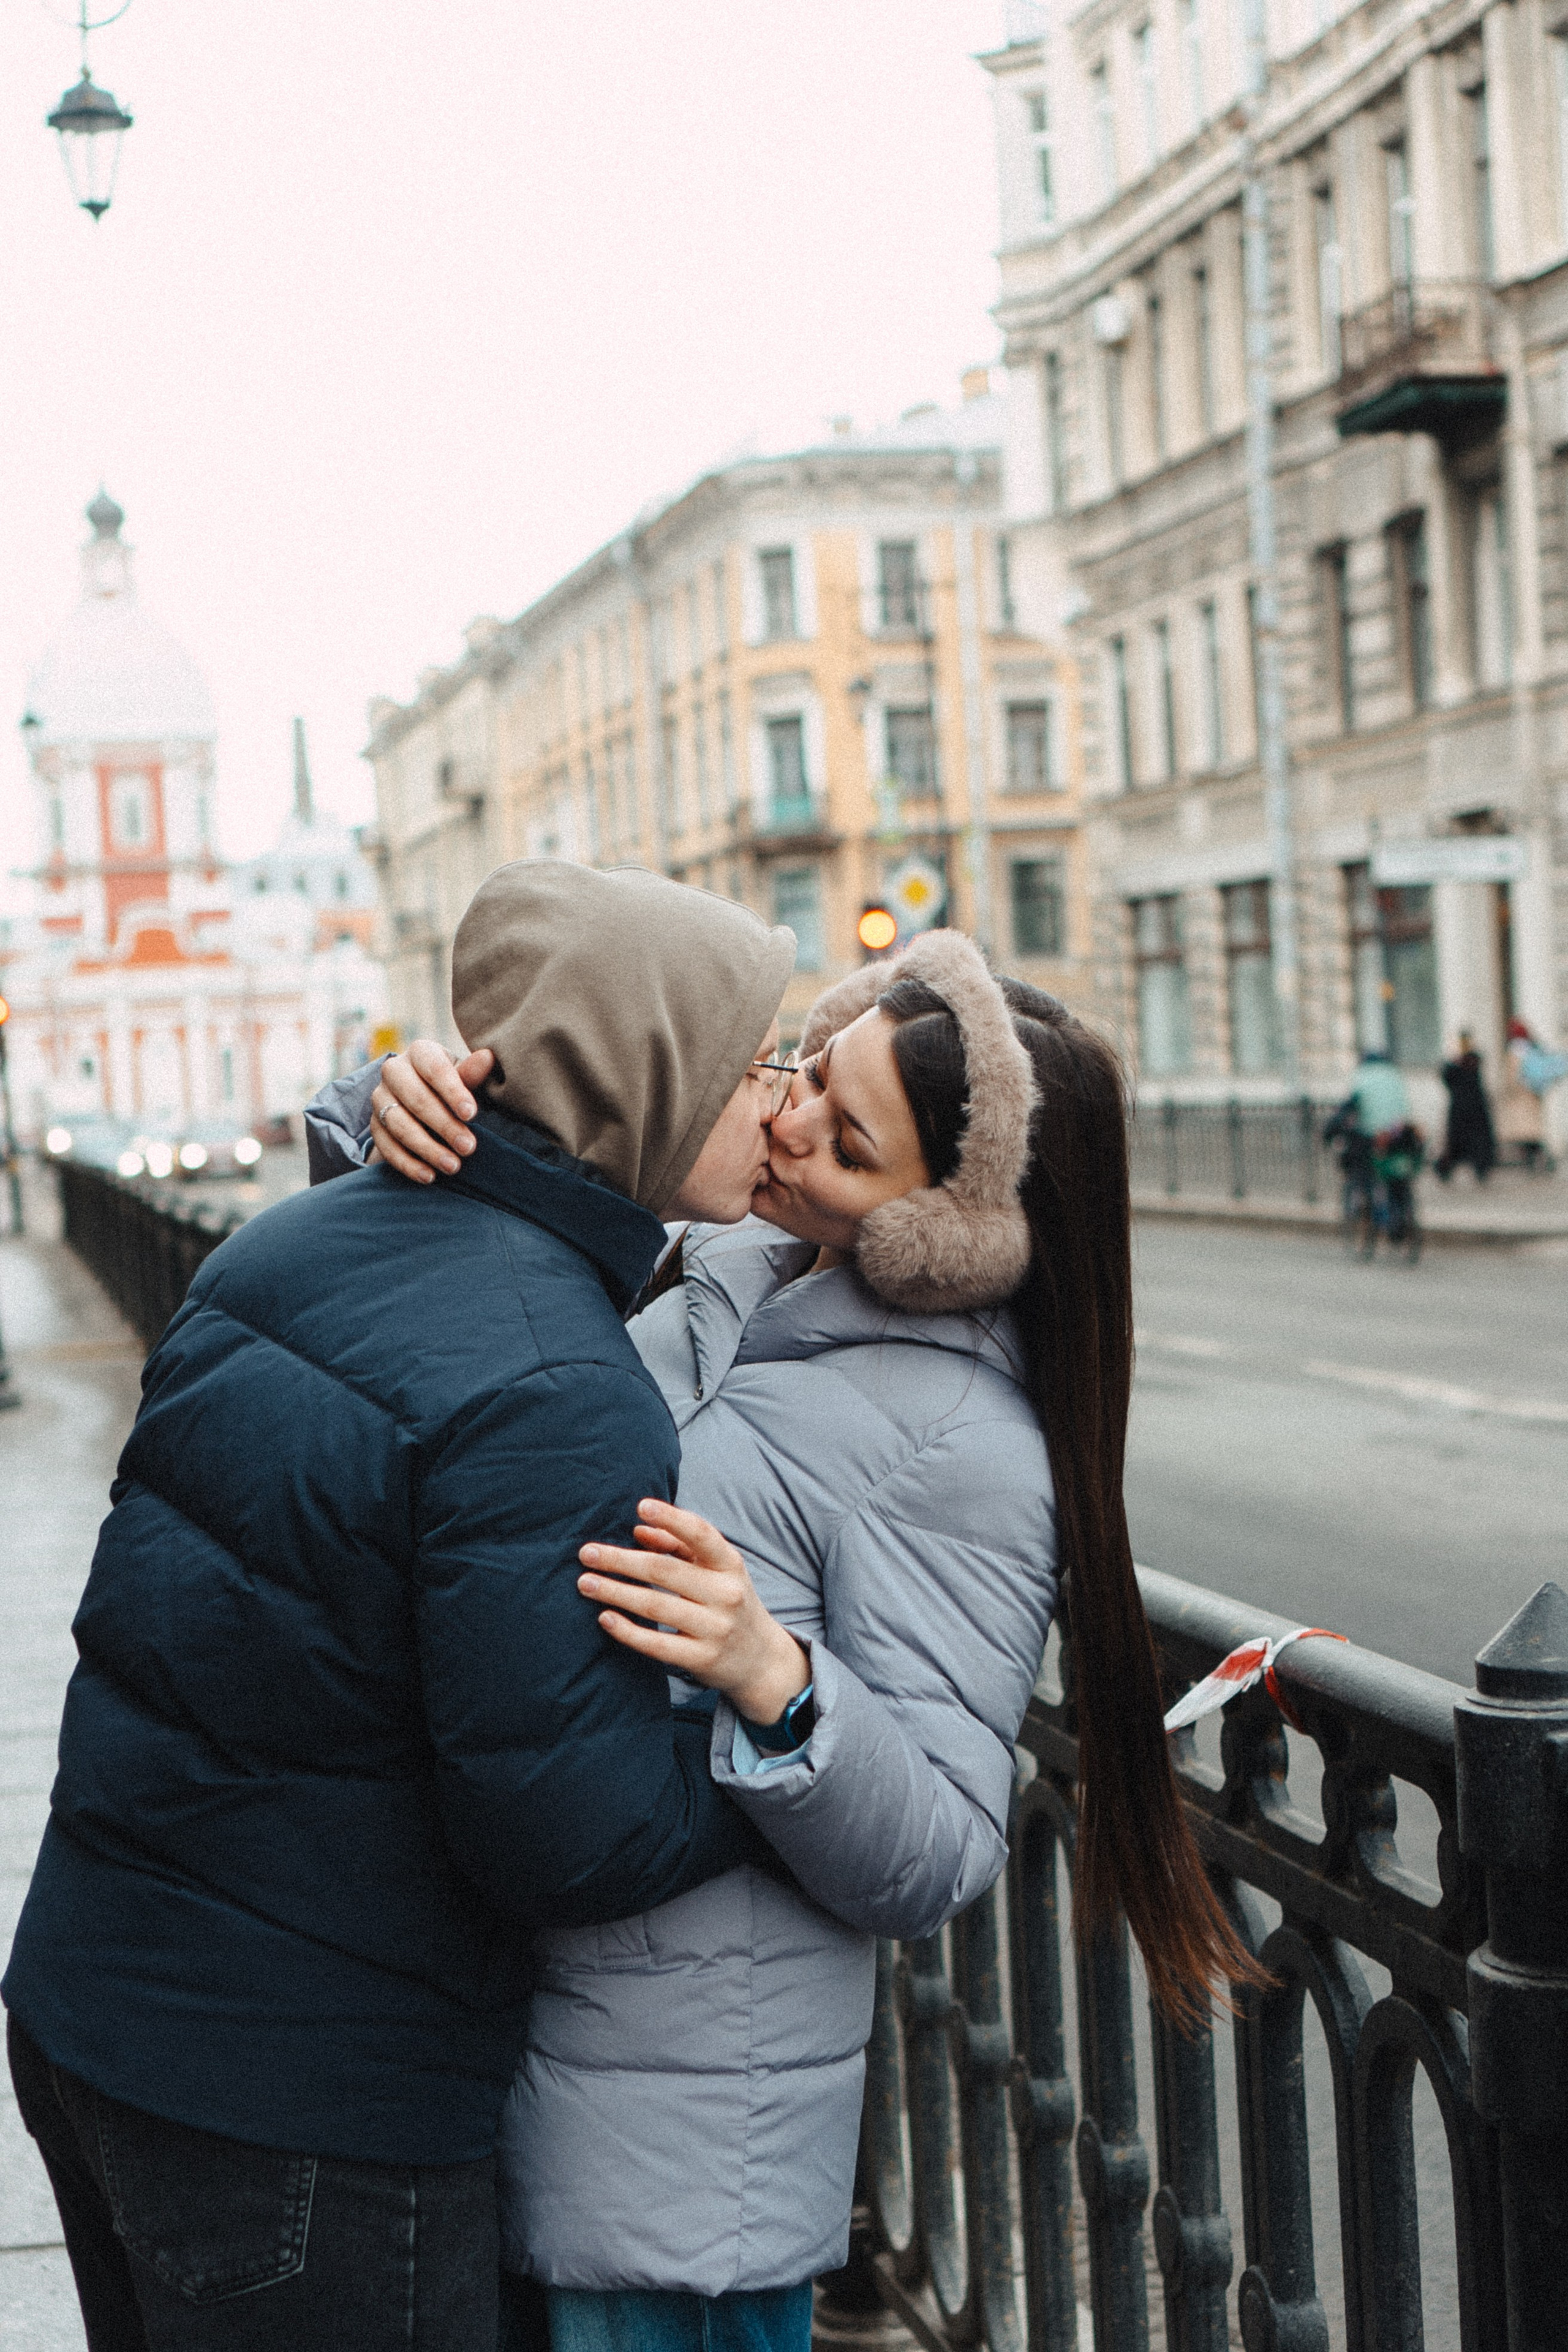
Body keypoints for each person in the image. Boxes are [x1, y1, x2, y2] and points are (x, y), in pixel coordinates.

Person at [315, 929, 1266, 2352]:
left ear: (943, 1223)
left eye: (848, 1131)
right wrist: (393, 1101)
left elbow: (939, 1844)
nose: (791, 1118)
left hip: (681, 2166)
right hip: (509, 2040)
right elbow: (473, 1276)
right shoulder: (729, 1266)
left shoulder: (967, 1449)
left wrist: (779, 1678)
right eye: (809, 1071)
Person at [3, 860, 797, 2352]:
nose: (780, 1101)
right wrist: (785, 1740)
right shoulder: (558, 1377)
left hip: (90, 2007)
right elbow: (567, 1832)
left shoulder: (283, 1244)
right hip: (306, 2109)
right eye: (757, 1062)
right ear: (650, 1073)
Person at [1499, 1017, 1568, 1172]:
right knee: (1532, 1135)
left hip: (1522, 1099)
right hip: (1532, 1098)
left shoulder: (1515, 1054)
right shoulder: (1533, 1049)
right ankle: (1539, 1162)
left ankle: (1539, 1162)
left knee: (1528, 1136)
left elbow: (1511, 1079)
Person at [1436, 1030, 1496, 1181]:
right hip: (1462, 1109)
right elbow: (1448, 1079)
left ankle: (1481, 1168)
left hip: (1473, 1108)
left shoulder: (1473, 1061)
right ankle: (1447, 1169)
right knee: (1457, 1144)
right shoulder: (1455, 1064)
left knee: (1478, 1142)